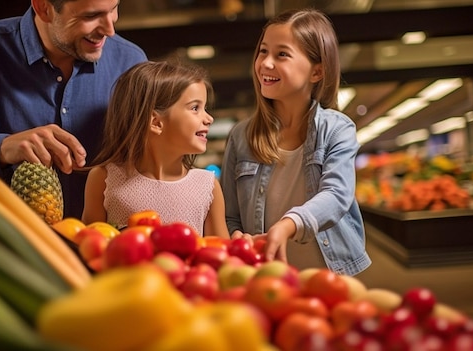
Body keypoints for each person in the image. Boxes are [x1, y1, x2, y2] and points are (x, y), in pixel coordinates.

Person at [0, 0, 147, 218]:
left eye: (113, 9)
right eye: (90, 16)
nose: (110, 30)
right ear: (44, 8)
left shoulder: (131, 62)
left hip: (106, 243)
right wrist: (1, 149)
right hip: (6, 245)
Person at [220, 8, 371, 275]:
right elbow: (231, 216)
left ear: (317, 72)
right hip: (266, 276)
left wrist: (287, 224)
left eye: (282, 55)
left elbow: (337, 195)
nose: (265, 63)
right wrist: (236, 238)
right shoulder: (241, 136)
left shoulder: (338, 129)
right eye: (263, 51)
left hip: (329, 273)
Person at [82, 61, 230, 239]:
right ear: (156, 122)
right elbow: (88, 249)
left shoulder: (208, 186)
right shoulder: (104, 179)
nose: (209, 118)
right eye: (195, 108)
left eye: (205, 108)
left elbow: (222, 256)